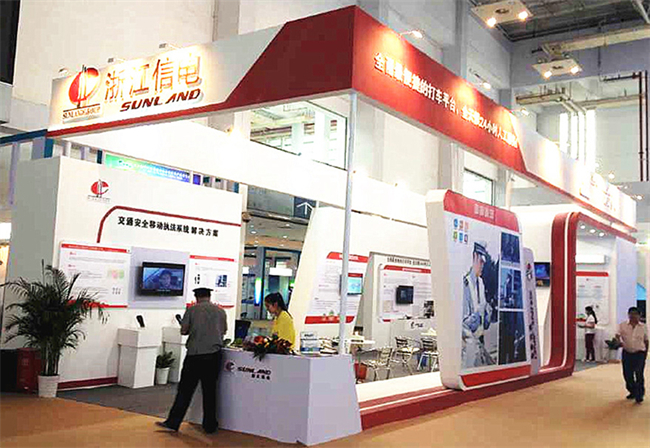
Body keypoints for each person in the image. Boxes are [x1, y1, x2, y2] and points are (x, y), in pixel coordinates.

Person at [156, 287, 227, 433]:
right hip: (214, 355)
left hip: (195, 356)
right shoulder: (220, 311)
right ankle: (210, 426)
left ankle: (173, 422)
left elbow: (184, 330)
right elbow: (224, 330)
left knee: (185, 391)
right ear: (209, 296)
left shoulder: (192, 310)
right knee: (210, 391)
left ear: (196, 297)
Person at [462, 242, 494, 368]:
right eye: (481, 261)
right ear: (474, 257)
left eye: (484, 263)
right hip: (469, 347)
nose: (482, 266)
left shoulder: (481, 283)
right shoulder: (465, 284)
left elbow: (485, 324)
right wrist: (479, 312)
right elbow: (464, 324)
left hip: (480, 344)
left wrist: (488, 313)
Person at [615, 307, 648, 404]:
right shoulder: (622, 325)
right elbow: (617, 335)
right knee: (627, 374)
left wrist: (645, 354)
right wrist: (618, 342)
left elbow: (646, 341)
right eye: (631, 314)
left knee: (639, 373)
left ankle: (639, 395)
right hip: (627, 353)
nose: (633, 316)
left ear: (639, 315)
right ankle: (632, 391)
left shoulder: (643, 327)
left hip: (640, 353)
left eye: (635, 314)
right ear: (628, 315)